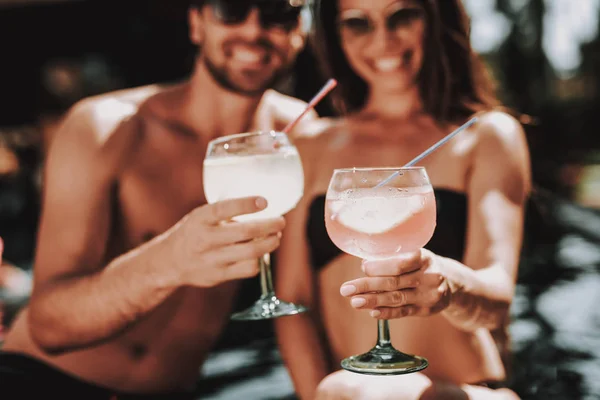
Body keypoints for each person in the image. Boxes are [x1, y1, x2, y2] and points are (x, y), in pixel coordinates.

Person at [0, 0, 314, 397]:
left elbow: (296, 296)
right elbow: (49, 328)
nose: (253, 31)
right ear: (197, 23)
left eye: (277, 14)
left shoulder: (300, 132)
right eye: (230, 10)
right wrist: (169, 260)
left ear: (300, 31)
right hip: (43, 381)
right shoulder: (105, 127)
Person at [274, 0, 531, 399]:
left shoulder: (486, 135)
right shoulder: (310, 146)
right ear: (335, 35)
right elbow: (293, 301)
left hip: (464, 391)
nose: (384, 39)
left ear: (435, 19)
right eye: (358, 23)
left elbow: (497, 297)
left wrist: (448, 284)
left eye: (402, 16)